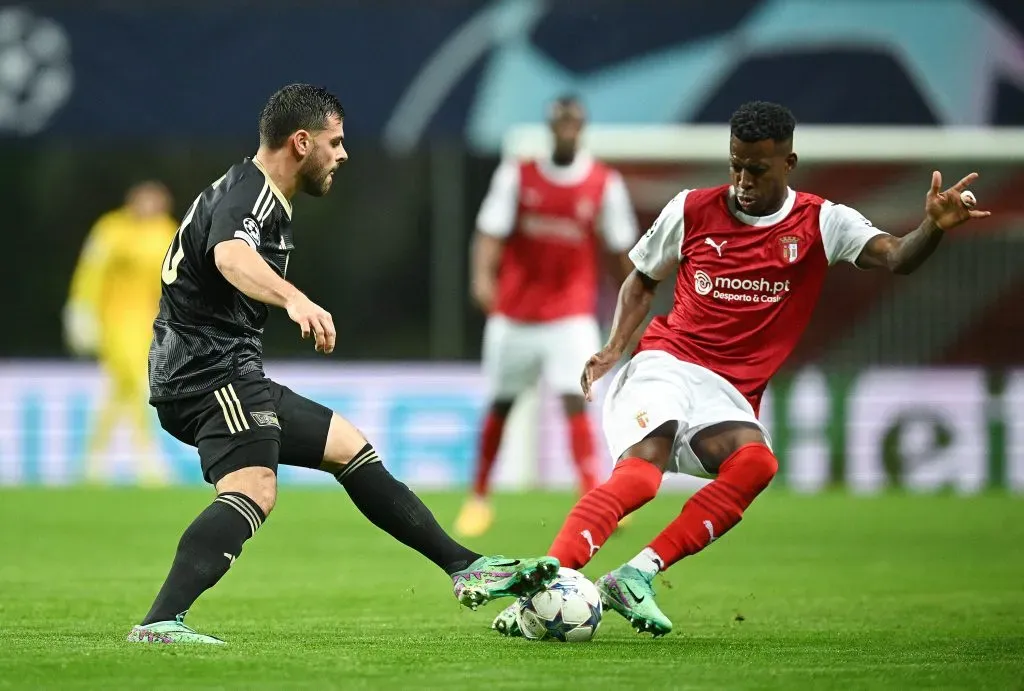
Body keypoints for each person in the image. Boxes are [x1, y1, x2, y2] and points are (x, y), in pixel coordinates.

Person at [492, 100, 990, 637]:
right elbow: (641, 278)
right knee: (642, 475)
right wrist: (616, 346)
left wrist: (933, 228)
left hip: (727, 396)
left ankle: (635, 575)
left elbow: (895, 255)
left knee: (758, 465)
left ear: (788, 163)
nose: (743, 180)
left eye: (757, 169)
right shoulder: (691, 209)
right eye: (735, 165)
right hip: (665, 364)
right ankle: (546, 585)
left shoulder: (822, 221)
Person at [126, 84, 559, 645]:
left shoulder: (255, 193)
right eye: (336, 142)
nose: (344, 154)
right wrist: (295, 298)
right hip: (208, 375)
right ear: (301, 142)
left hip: (224, 369)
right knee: (254, 486)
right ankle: (160, 622)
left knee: (348, 446)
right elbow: (229, 256)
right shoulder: (251, 195)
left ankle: (464, 566)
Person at [455, 94, 639, 538]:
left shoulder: (603, 183)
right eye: (560, 122)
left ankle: (593, 496)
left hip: (570, 315)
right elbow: (488, 233)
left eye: (574, 122)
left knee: (576, 399)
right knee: (501, 403)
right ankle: (478, 498)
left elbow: (624, 254)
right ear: (551, 126)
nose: (567, 129)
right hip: (515, 313)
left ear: (582, 127)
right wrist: (483, 278)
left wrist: (637, 302)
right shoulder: (519, 175)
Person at [64, 181, 179, 485]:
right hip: (114, 322)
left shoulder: (167, 232)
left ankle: (94, 459)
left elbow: (178, 280)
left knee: (122, 390)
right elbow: (91, 271)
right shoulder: (111, 229)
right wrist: (81, 308)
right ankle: (148, 458)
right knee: (137, 383)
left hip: (151, 324)